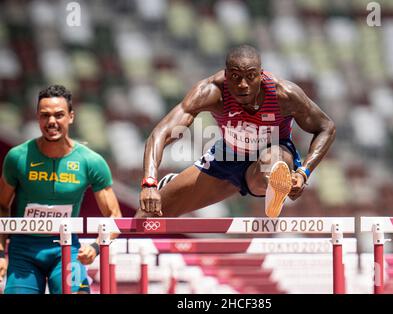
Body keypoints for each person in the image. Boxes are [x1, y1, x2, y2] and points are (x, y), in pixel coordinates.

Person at [138, 45, 335, 218]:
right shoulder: (212, 91)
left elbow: (326, 128)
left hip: (273, 152)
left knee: (271, 161)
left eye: (250, 76)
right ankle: (171, 185)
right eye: (235, 76)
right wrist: (149, 183)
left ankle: (275, 187)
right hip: (227, 156)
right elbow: (160, 133)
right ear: (226, 74)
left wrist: (304, 172)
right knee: (148, 215)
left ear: (261, 74)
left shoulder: (284, 95)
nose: (243, 85)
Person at [0, 85, 122, 294]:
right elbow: (1, 205)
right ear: (37, 117)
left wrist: (94, 247)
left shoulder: (90, 161)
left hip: (65, 247)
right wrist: (1, 253)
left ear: (71, 117)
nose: (51, 122)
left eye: (59, 115)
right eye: (45, 115)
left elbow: (115, 216)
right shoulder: (17, 157)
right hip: (23, 251)